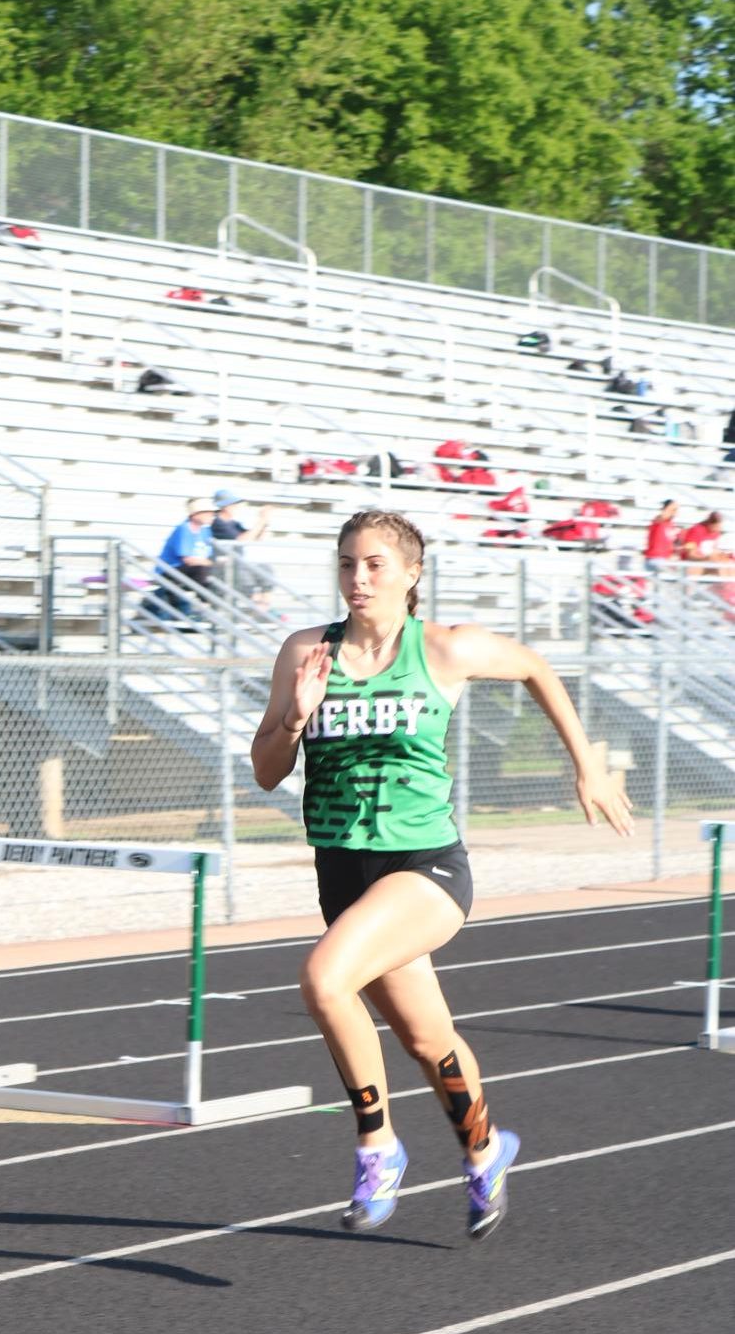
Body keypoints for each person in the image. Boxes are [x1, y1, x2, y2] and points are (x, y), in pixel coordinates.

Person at [250, 509, 632, 1241]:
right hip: (343, 872)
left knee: (325, 979)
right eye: (346, 565)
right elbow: (268, 772)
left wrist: (586, 764)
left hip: (424, 867)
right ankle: (487, 1150)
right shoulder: (305, 651)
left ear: (411, 574)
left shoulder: (443, 649)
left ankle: (377, 1145)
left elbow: (535, 668)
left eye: (374, 565)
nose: (357, 579)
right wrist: (296, 717)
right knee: (428, 1040)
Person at [150, 494, 216, 624]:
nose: (212, 516)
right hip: (169, 571)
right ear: (196, 514)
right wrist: (212, 563)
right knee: (202, 569)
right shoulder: (184, 529)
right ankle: (204, 605)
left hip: (189, 571)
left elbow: (207, 556)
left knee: (212, 571)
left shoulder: (205, 531)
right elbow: (188, 559)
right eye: (208, 513)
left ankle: (207, 605)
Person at [211, 489, 277, 608]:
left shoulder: (233, 523)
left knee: (265, 570)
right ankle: (258, 611)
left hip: (238, 563)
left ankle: (266, 609)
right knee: (246, 577)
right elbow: (242, 540)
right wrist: (261, 520)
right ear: (225, 506)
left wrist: (265, 522)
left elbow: (256, 538)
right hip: (227, 565)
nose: (237, 506)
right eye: (234, 504)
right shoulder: (217, 522)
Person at [644, 499, 680, 567]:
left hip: (665, 559)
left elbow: (675, 542)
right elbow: (662, 517)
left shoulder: (671, 524)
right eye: (673, 509)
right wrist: (669, 508)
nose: (675, 512)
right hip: (654, 559)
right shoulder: (658, 521)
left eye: (675, 510)